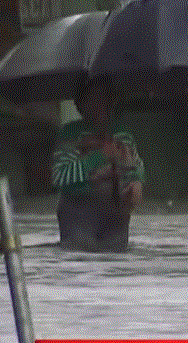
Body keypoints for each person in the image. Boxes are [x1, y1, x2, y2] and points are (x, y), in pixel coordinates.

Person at [52, 76, 144, 252]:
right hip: (78, 213)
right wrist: (99, 156)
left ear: (112, 101)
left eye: (104, 98)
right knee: (80, 255)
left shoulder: (122, 134)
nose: (99, 105)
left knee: (115, 259)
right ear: (81, 104)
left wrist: (136, 183)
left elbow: (135, 168)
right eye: (92, 99)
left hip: (115, 212)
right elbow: (60, 176)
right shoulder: (70, 134)